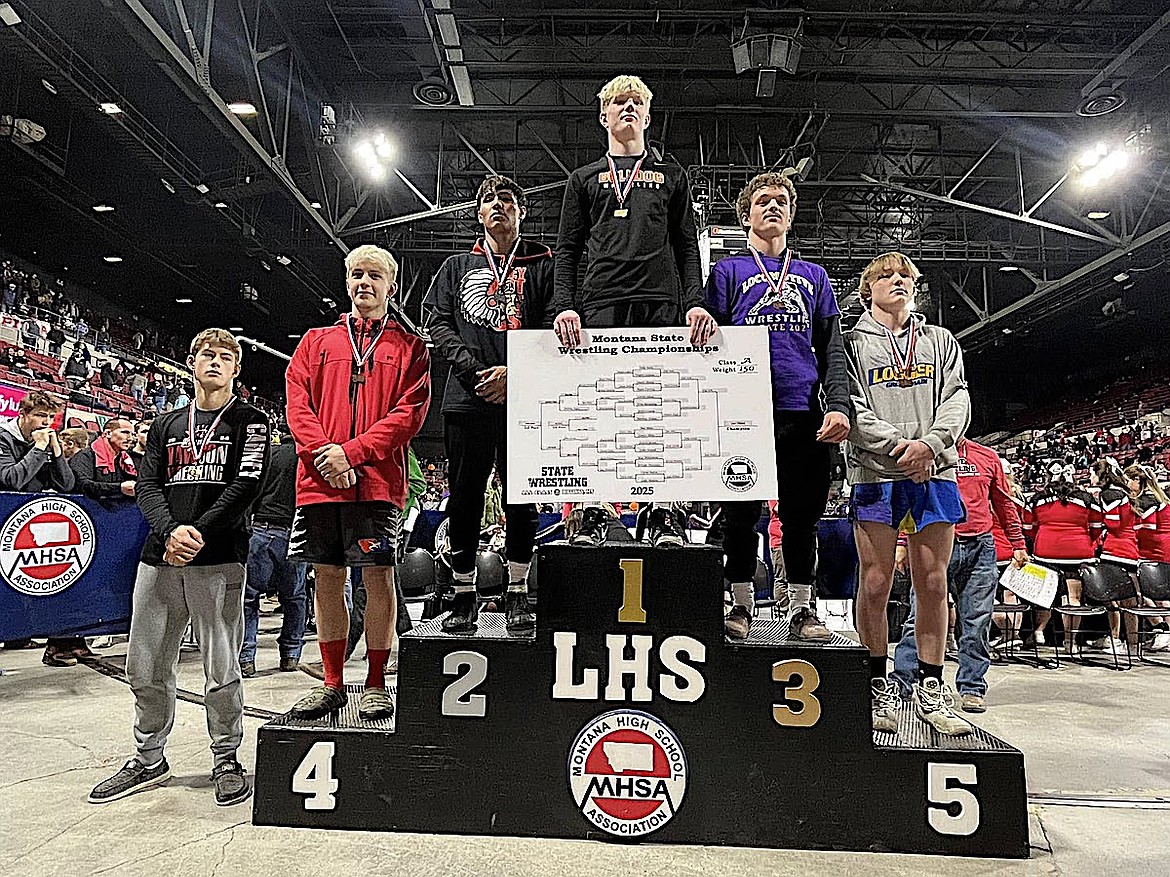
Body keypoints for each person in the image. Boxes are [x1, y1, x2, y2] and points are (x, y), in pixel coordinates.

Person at [88, 328, 270, 807]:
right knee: (144, 664)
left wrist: (197, 533)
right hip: (159, 556)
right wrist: (170, 531)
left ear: (236, 368)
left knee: (221, 667)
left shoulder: (251, 421)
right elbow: (147, 485)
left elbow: (245, 486)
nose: (215, 362)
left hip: (218, 555)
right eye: (207, 354)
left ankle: (227, 757)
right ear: (191, 362)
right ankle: (149, 758)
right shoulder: (166, 423)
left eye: (225, 356)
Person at [552, 74, 716, 547]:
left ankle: (664, 511)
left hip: (660, 303)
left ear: (648, 116)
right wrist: (566, 306)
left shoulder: (671, 176)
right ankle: (591, 509)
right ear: (603, 116)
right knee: (599, 406)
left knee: (659, 408)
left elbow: (688, 248)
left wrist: (695, 303)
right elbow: (567, 250)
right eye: (618, 102)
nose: (627, 109)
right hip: (600, 302)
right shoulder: (582, 179)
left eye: (636, 103)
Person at [704, 171, 851, 641]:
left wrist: (840, 405)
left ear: (791, 214)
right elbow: (710, 341)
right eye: (764, 201)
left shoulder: (815, 276)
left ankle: (803, 609)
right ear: (745, 213)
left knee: (801, 516)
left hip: (801, 408)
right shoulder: (727, 273)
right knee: (741, 514)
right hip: (744, 410)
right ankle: (741, 604)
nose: (774, 207)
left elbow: (831, 347)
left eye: (782, 201)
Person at [285, 244, 430, 722]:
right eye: (355, 275)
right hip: (320, 483)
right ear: (346, 283)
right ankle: (332, 683)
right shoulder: (315, 341)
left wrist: (351, 453)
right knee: (326, 578)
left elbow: (407, 416)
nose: (363, 283)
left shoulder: (409, 349)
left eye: (374, 276)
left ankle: (374, 682)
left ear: (391, 285)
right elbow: (297, 406)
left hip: (376, 484)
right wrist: (326, 456)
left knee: (378, 578)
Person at [845, 251, 972, 736]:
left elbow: (958, 397)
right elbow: (849, 404)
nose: (897, 281)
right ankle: (876, 684)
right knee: (876, 582)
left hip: (935, 471)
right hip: (875, 474)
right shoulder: (851, 342)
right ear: (867, 288)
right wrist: (900, 447)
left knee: (933, 582)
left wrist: (930, 444)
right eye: (886, 275)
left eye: (906, 276)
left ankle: (931, 688)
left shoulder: (940, 341)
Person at [424, 174, 554, 634]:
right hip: (468, 398)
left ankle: (517, 593)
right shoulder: (456, 266)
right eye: (488, 200)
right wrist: (476, 371)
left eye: (507, 200)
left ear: (522, 213)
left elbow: (556, 325)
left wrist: (516, 375)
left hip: (527, 401)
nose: (497, 205)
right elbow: (437, 324)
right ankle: (463, 595)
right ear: (478, 214)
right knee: (463, 500)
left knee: (524, 499)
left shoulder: (543, 265)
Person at [892, 437, 1028, 713]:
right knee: (918, 616)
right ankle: (904, 682)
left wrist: (1018, 543)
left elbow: (1002, 502)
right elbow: (910, 499)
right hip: (934, 541)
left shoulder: (987, 456)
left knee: (976, 620)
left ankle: (972, 687)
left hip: (980, 545)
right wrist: (902, 543)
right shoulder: (924, 452)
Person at [0, 391, 79, 666]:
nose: (46, 423)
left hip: (28, 528)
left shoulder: (46, 440)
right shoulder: (4, 437)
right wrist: (37, 449)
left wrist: (55, 452)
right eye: (39, 416)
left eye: (50, 417)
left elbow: (67, 485)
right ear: (22, 415)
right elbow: (11, 480)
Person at [239, 427, 307, 677]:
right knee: (295, 597)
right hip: (295, 530)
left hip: (261, 529)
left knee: (249, 598)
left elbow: (248, 491)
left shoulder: (268, 454)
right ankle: (290, 655)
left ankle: (246, 656)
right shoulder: (308, 455)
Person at [1023, 474, 1102, 652]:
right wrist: (1083, 540)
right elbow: (1097, 526)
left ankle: (1038, 631)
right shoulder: (1087, 499)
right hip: (1078, 552)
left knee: (1045, 596)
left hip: (1045, 551)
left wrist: (1043, 538)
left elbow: (1028, 528)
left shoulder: (1036, 499)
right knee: (1073, 598)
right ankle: (1070, 641)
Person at [70, 418, 137, 499]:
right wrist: (119, 488)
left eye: (132, 434)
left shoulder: (127, 460)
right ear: (108, 433)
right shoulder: (85, 456)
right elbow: (82, 485)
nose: (130, 439)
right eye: (125, 432)